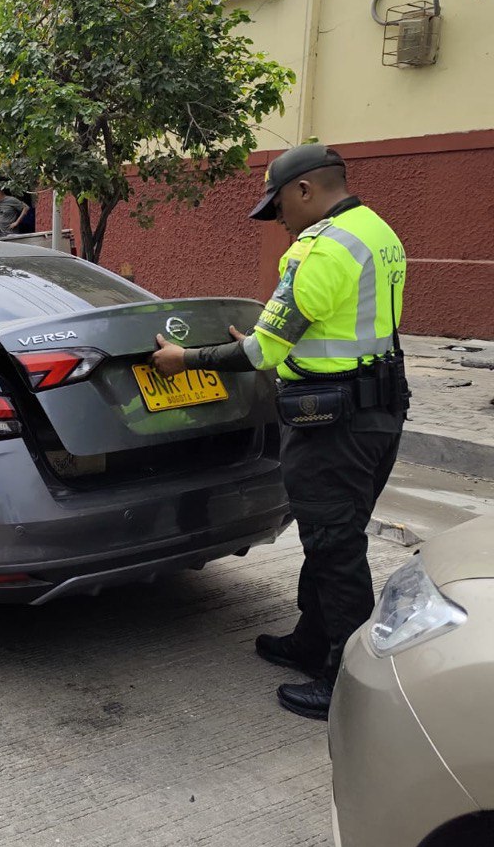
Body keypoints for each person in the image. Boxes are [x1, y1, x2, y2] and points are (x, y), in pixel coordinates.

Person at [150, 143, 409, 720]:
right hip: (378, 411)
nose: (280, 221)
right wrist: (272, 339)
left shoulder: (319, 249)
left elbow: (262, 352)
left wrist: (184, 360)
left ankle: (346, 683)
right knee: (332, 534)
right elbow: (338, 324)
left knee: (335, 547)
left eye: (279, 207)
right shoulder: (378, 232)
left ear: (304, 190)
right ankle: (312, 642)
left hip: (333, 426)